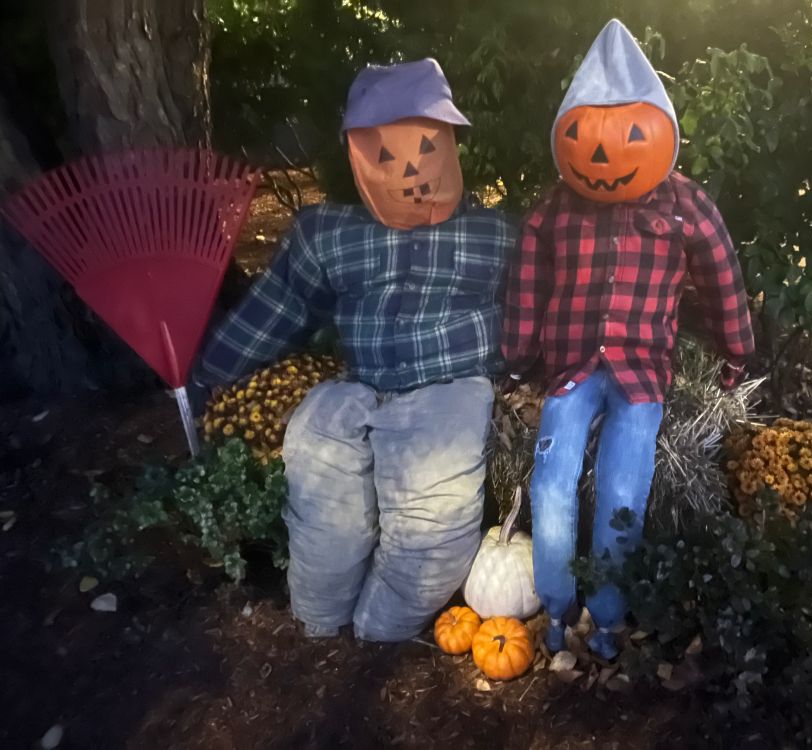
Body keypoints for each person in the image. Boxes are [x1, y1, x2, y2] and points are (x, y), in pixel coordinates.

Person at [194, 59, 516, 641]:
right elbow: (279, 310)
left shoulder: (496, 236)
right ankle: (320, 617)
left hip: (450, 386)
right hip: (357, 383)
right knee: (320, 486)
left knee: (432, 520)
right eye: (386, 156)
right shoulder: (328, 233)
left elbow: (538, 310)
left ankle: (382, 628)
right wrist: (206, 377)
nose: (410, 168)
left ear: (452, 145)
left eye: (424, 146)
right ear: (356, 160)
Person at [501, 19, 755, 660]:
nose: (607, 155)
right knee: (552, 481)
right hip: (571, 369)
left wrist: (734, 352)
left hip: (643, 373)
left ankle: (608, 613)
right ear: (566, 136)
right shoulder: (554, 209)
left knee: (623, 485)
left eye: (633, 136)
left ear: (662, 132)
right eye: (585, 138)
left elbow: (721, 275)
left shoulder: (683, 204)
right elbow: (527, 283)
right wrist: (515, 357)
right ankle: (557, 607)